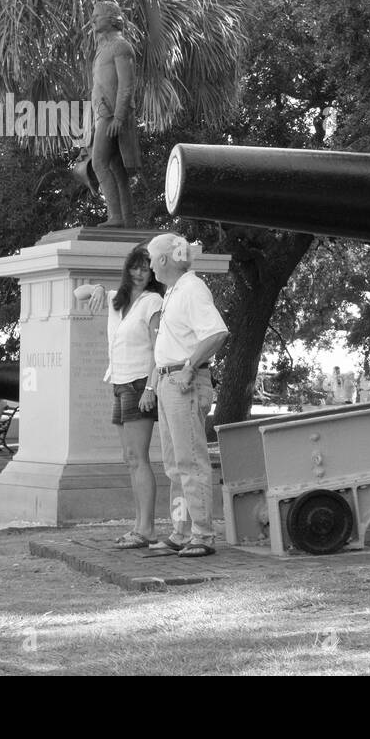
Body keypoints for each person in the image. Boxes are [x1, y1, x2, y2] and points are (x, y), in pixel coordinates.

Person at [148, 233, 228, 558]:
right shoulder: (173, 292)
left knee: (190, 461)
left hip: (184, 384)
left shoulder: (192, 289)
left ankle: (203, 534)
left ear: (165, 259)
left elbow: (217, 333)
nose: (150, 265)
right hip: (170, 383)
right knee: (174, 464)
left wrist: (189, 367)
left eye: (152, 258)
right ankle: (181, 532)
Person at [80, 246, 165, 549]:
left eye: (146, 268)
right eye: (136, 266)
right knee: (130, 459)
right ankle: (139, 525)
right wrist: (99, 287)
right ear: (127, 268)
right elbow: (79, 294)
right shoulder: (118, 300)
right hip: (119, 381)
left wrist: (151, 389)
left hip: (139, 382)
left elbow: (159, 348)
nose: (140, 273)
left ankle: (148, 529)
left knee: (139, 458)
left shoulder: (152, 300)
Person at [87, 0, 141, 227]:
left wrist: (119, 117)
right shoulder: (102, 50)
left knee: (99, 162)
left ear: (111, 19)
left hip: (113, 116)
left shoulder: (121, 47)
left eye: (97, 16)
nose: (93, 20)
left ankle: (116, 217)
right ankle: (126, 219)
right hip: (103, 115)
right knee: (116, 168)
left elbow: (127, 85)